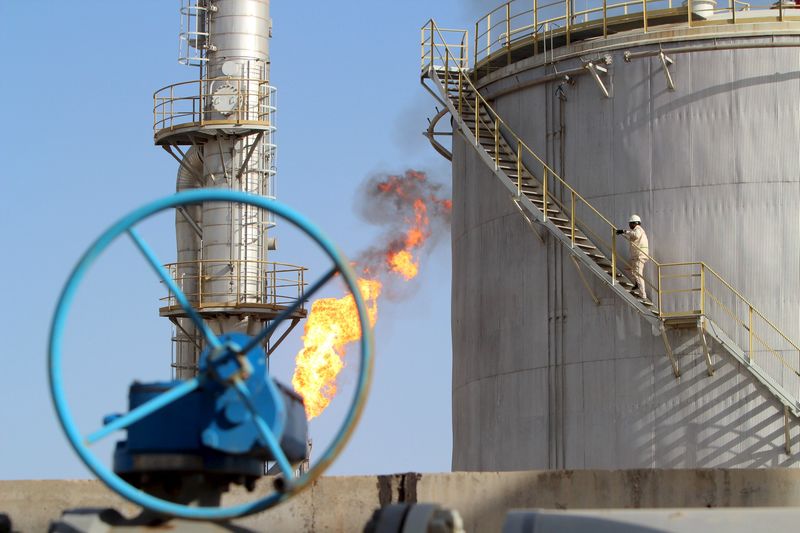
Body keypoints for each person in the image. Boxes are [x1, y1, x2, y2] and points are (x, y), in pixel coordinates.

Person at [616, 214, 649, 299]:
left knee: (638, 274)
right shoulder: (637, 230)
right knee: (628, 268)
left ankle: (643, 295)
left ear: (635, 223)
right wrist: (623, 233)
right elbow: (632, 236)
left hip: (639, 256)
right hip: (636, 255)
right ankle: (637, 283)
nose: (629, 225)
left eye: (630, 223)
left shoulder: (638, 229)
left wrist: (624, 231)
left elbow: (635, 235)